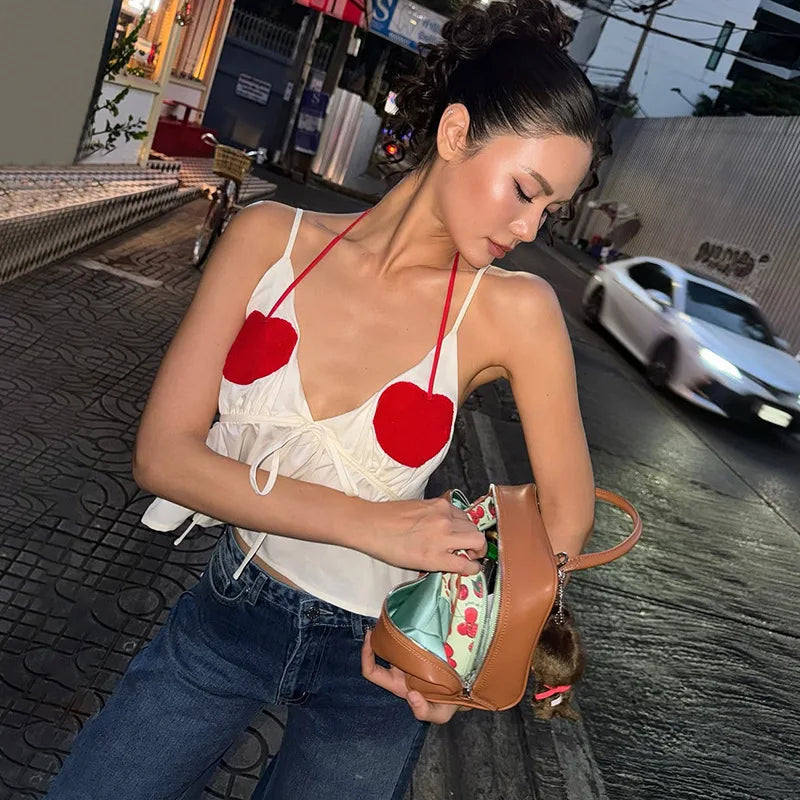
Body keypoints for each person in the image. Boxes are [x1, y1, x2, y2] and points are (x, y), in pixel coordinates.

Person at [46, 1, 607, 797]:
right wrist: (373, 524)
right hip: (230, 614)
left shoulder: (515, 311)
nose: (528, 227)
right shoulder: (268, 238)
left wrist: (465, 654)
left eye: (550, 211)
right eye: (524, 190)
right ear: (455, 134)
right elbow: (163, 455)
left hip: (376, 665)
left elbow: (567, 522)